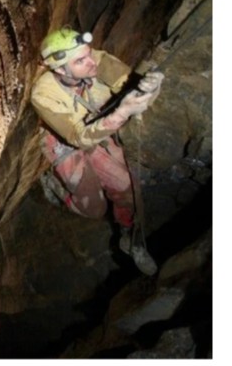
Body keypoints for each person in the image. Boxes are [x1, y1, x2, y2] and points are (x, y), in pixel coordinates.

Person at [31, 27, 164, 275]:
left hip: (99, 128)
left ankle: (129, 236)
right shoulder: (43, 94)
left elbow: (135, 91)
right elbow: (77, 137)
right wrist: (122, 112)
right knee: (94, 209)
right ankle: (56, 187)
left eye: (88, 53)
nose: (92, 62)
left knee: (127, 187)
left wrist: (150, 88)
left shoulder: (99, 62)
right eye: (80, 61)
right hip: (64, 140)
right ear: (60, 69)